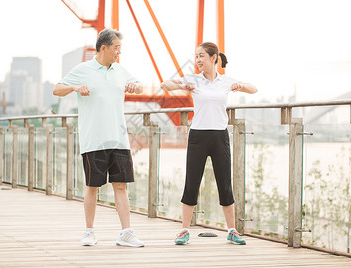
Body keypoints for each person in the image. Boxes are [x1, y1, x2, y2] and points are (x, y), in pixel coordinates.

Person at [53, 28, 145, 247]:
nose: (118, 52)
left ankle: (126, 233)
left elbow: (139, 86)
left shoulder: (120, 70)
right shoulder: (83, 69)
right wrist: (75, 87)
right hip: (93, 138)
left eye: (120, 48)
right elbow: (57, 89)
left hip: (119, 138)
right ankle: (89, 232)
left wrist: (135, 87)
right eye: (116, 48)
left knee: (121, 186)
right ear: (103, 48)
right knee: (92, 186)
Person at [160, 42, 257, 245]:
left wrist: (240, 86)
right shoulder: (194, 79)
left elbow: (254, 89)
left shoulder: (225, 81)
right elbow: (164, 85)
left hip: (220, 137)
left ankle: (232, 231)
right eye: (196, 57)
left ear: (214, 58)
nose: (198, 60)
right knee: (192, 182)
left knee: (225, 183)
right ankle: (184, 230)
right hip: (198, 136)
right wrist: (181, 85)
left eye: (201, 56)